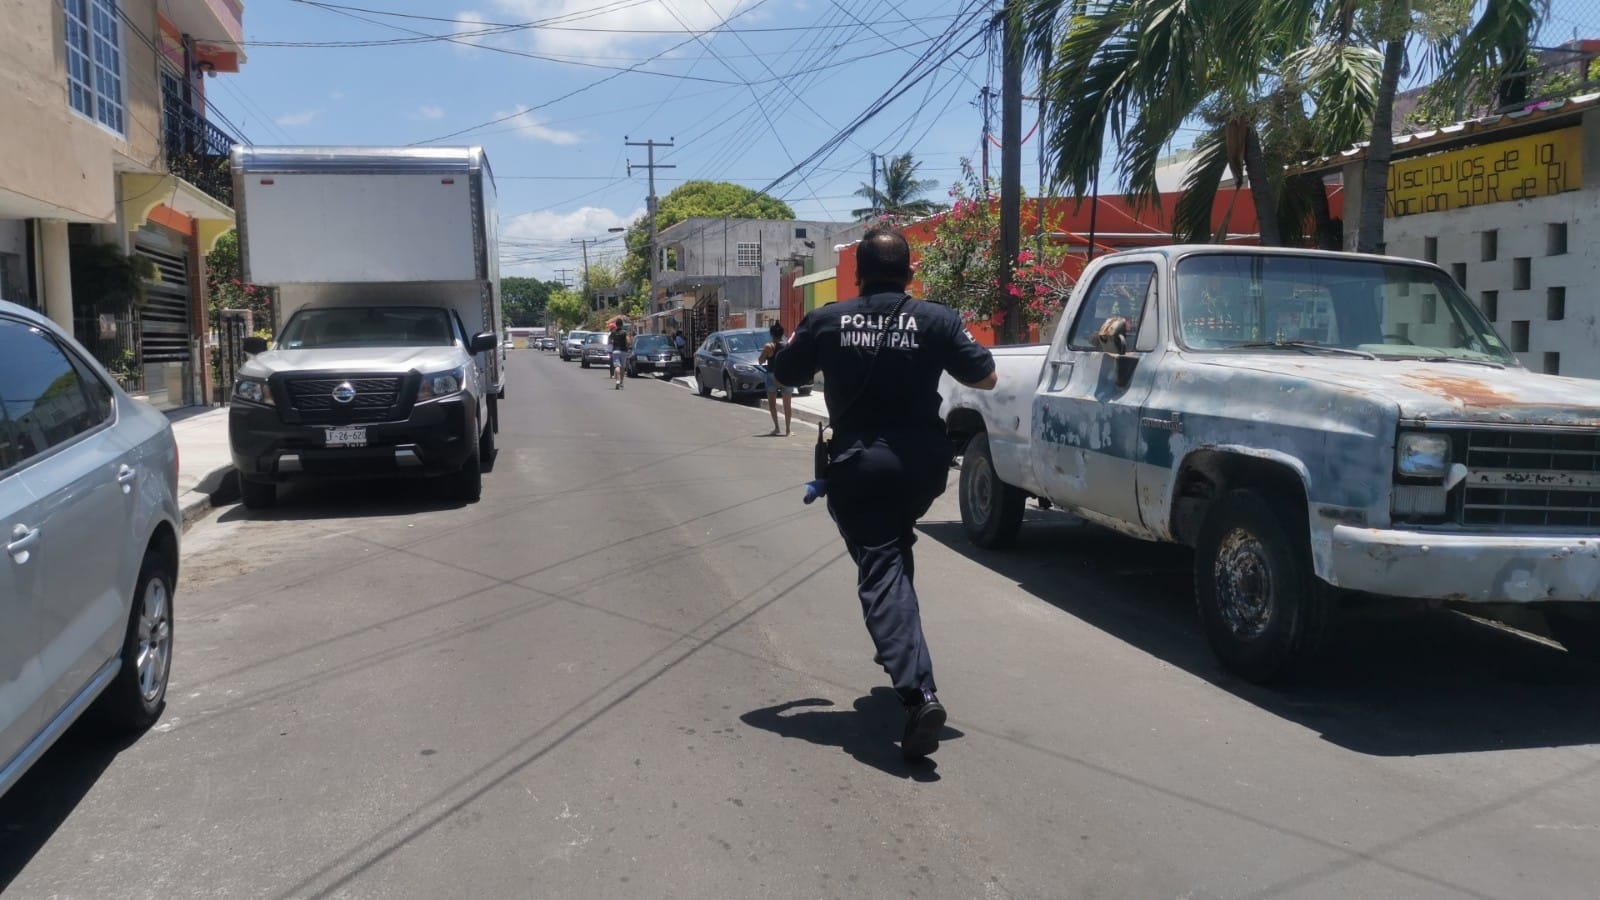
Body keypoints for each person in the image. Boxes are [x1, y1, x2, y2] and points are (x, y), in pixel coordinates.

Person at [769, 226, 997, 761]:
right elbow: (984, 377)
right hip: (923, 469)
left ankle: (918, 693)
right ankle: (898, 642)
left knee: (879, 568)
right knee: (894, 548)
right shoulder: (937, 318)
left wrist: (783, 347)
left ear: (857, 274)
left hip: (858, 468)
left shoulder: (827, 319)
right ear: (909, 273)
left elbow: (783, 373)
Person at [758, 322, 795, 436]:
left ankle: (777, 428)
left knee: (772, 404)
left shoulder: (769, 346)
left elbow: (761, 361)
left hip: (772, 375)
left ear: (771, 334)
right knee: (787, 404)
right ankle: (788, 430)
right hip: (785, 375)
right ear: (782, 334)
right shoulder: (787, 345)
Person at [608, 317, 631, 390]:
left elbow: (610, 341)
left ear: (616, 325)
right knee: (622, 367)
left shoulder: (613, 332)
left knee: (617, 366)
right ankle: (621, 382)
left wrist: (614, 342)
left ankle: (617, 381)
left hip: (615, 351)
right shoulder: (624, 332)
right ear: (622, 325)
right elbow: (628, 341)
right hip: (623, 351)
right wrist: (627, 345)